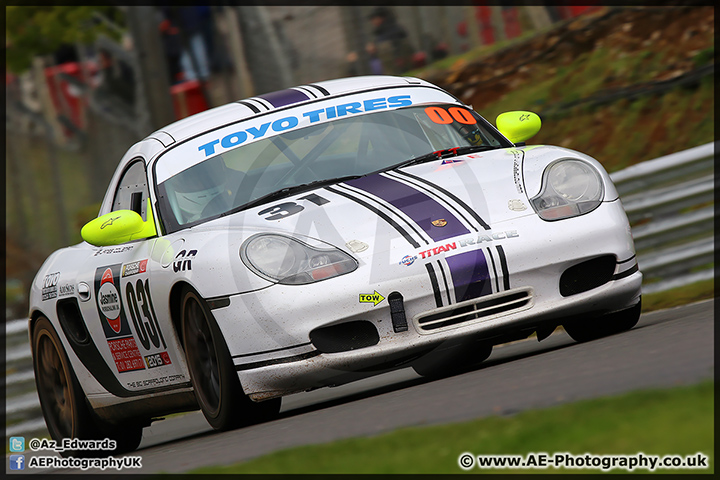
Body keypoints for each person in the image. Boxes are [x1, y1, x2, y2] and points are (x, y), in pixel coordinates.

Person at [367, 7, 414, 75]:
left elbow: (401, 50)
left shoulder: (394, 31)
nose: (373, 22)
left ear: (381, 18)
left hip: (399, 69)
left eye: (374, 18)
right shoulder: (381, 33)